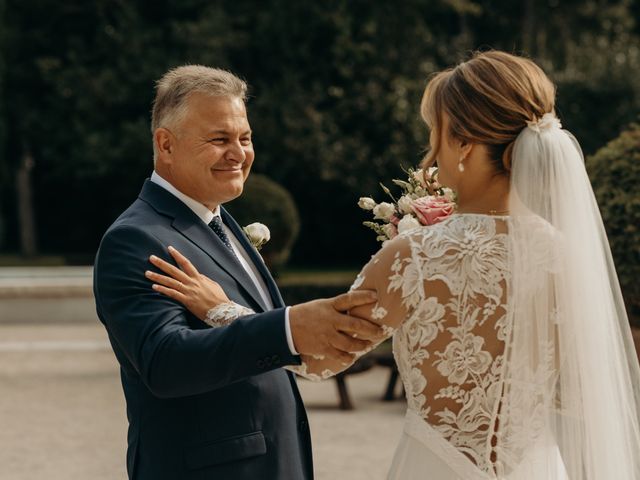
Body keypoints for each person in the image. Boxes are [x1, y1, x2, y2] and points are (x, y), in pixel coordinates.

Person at [149, 51, 640, 479]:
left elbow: (320, 359)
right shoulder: (570, 259)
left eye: (437, 133)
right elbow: (580, 400)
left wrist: (221, 309)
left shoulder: (420, 255)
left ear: (465, 144)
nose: (431, 152)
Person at [92, 65, 385, 480]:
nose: (239, 153)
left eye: (244, 138)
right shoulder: (136, 239)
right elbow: (165, 362)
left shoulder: (222, 221)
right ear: (166, 144)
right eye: (219, 139)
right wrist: (287, 330)